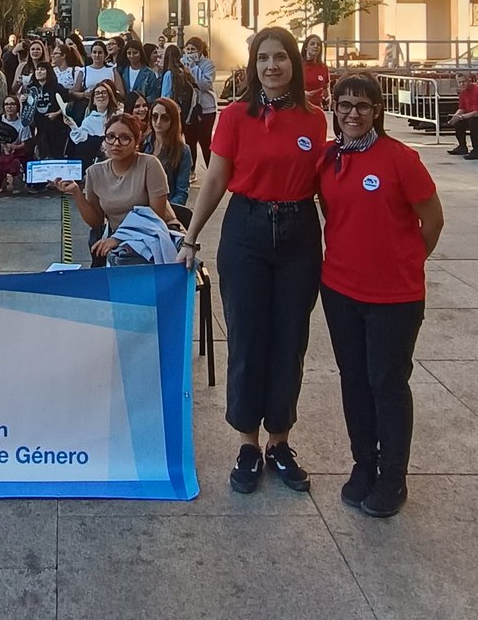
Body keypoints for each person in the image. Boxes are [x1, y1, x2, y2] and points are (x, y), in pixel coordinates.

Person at [176, 26, 327, 496]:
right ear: (253, 65)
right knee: (246, 337)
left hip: (299, 234)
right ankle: (247, 443)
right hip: (247, 231)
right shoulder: (235, 116)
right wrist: (190, 238)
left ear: (293, 64)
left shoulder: (315, 120)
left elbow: (327, 188)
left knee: (290, 339)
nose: (271, 66)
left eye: (280, 57)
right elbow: (216, 178)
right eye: (263, 58)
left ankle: (280, 441)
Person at [318, 72, 444, 518]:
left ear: (377, 111)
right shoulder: (329, 159)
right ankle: (363, 465)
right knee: (353, 380)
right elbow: (334, 214)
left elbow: (433, 220)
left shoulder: (401, 160)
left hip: (395, 298)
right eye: (344, 104)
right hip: (340, 291)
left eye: (362, 105)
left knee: (386, 383)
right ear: (334, 109)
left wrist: (404, 262)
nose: (352, 113)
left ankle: (393, 476)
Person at [54, 112, 175, 265]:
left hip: (155, 236)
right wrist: (76, 193)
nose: (116, 143)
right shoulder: (94, 172)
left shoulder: (149, 164)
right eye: (110, 137)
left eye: (124, 138)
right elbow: (96, 222)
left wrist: (118, 239)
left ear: (136, 142)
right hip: (118, 242)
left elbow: (156, 217)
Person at [143, 97, 192, 208]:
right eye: (155, 116)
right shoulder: (143, 144)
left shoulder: (182, 151)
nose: (158, 122)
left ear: (173, 120)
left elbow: (181, 191)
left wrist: (166, 210)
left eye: (165, 118)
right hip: (140, 206)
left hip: (166, 207)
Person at [64, 81, 122, 173]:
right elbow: (81, 138)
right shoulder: (88, 121)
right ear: (93, 100)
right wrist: (73, 126)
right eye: (97, 93)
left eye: (104, 93)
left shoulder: (118, 116)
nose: (101, 95)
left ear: (109, 97)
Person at [181, 37, 218, 172]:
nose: (190, 52)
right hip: (189, 107)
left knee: (205, 140)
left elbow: (204, 84)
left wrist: (193, 67)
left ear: (200, 51)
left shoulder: (208, 64)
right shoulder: (182, 62)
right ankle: (191, 170)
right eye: (188, 49)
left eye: (193, 50)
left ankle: (211, 170)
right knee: (190, 140)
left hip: (206, 108)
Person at [0, 96, 34, 196]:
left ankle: (18, 184)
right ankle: (2, 183)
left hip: (16, 154)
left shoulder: (23, 124)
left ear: (17, 106)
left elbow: (25, 144)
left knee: (16, 166)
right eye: (6, 104)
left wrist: (13, 147)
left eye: (12, 104)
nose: (9, 107)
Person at [448, 73, 478, 158]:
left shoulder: (476, 91)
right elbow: (462, 108)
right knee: (458, 121)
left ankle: (476, 149)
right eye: (460, 82)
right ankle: (462, 147)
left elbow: (476, 112)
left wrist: (461, 117)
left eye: (464, 81)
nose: (462, 84)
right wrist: (455, 116)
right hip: (471, 115)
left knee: (473, 122)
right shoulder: (463, 92)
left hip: (475, 115)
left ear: (469, 80)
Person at [302, 35, 330, 108]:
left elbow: (326, 88)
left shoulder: (323, 67)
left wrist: (327, 98)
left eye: (318, 44)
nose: (316, 46)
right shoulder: (298, 66)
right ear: (306, 47)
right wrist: (302, 94)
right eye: (312, 44)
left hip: (318, 108)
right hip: (301, 106)